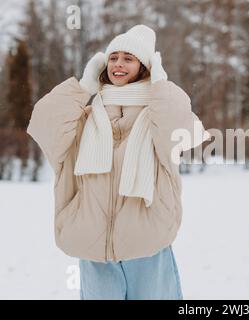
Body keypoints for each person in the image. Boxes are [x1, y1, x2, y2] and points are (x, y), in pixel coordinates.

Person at [26, 25, 210, 300]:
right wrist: (83, 87)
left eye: (129, 58)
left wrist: (160, 85)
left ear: (144, 67)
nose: (118, 64)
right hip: (93, 246)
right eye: (113, 57)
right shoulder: (84, 118)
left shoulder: (157, 117)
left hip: (147, 244)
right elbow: (43, 124)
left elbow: (181, 128)